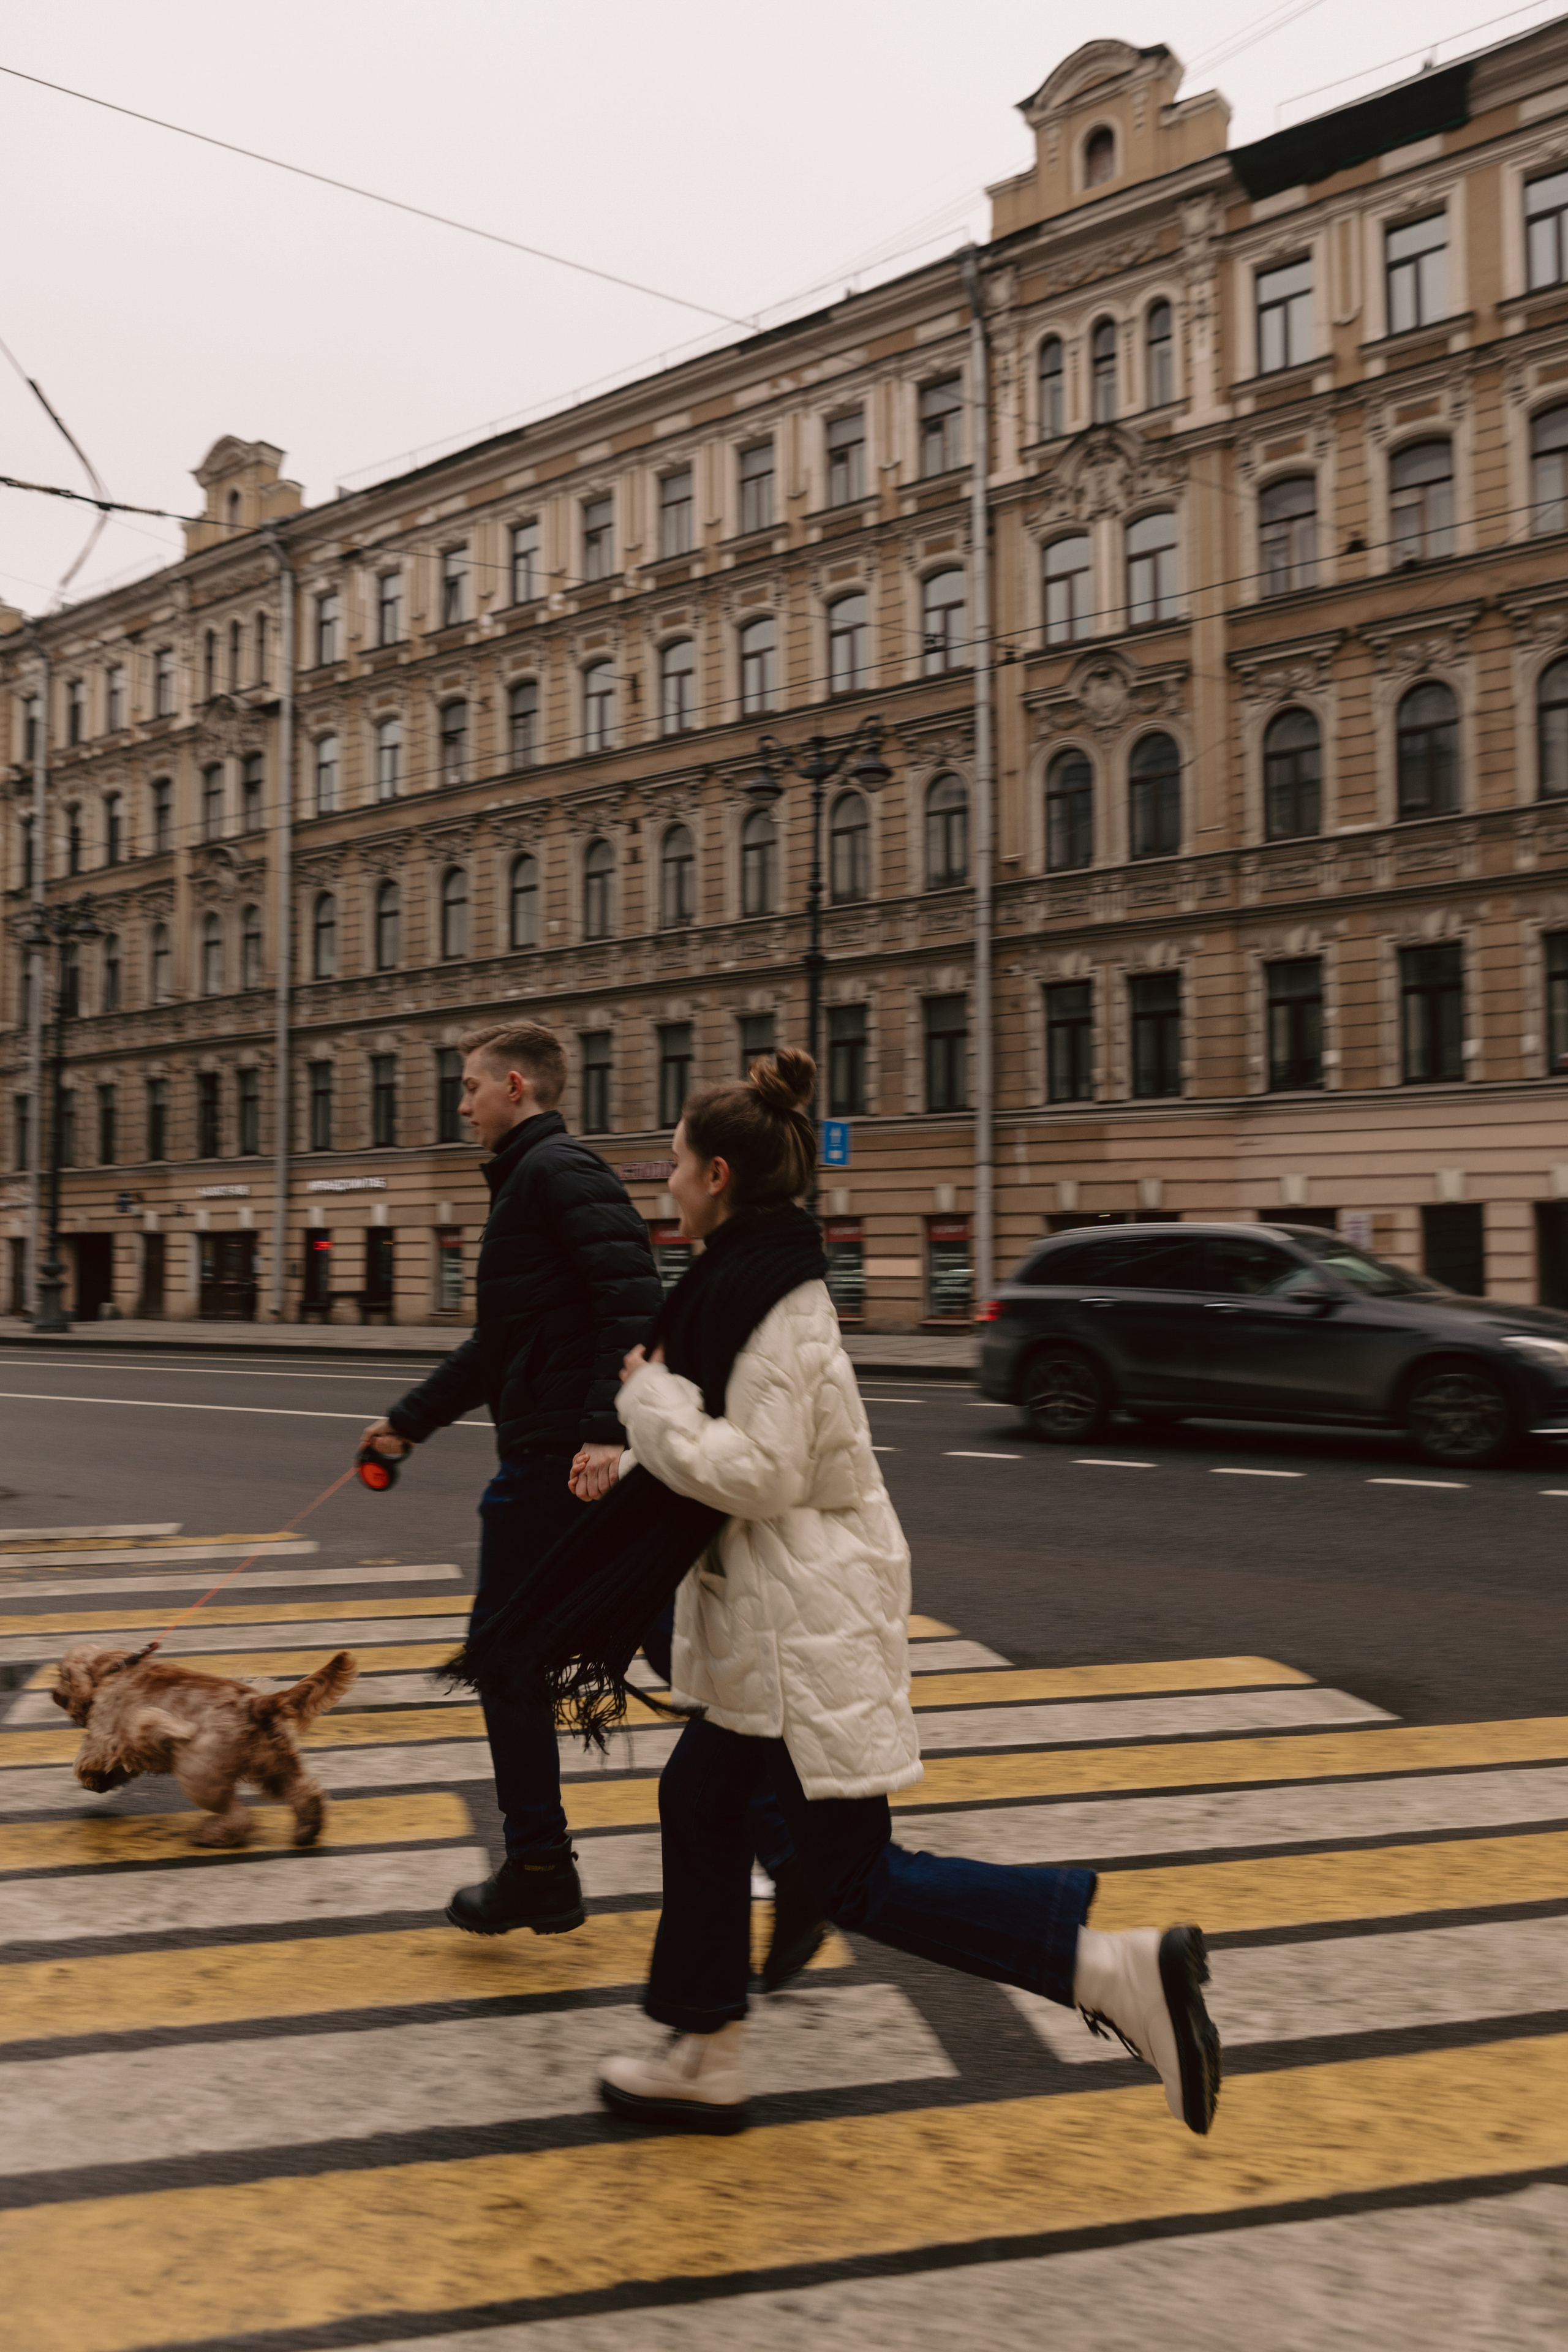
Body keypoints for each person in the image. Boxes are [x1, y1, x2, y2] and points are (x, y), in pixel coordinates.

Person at [596, 1049, 1221, 2135]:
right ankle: (707, 2046)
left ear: (720, 1179)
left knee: (856, 1880)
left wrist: (649, 1406)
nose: (666, 1185)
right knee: (699, 1804)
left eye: (677, 1166)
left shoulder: (772, 1306)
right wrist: (641, 1450)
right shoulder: (744, 1285)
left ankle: (1111, 1970)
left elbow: (763, 1471)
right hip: (775, 1624)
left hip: (798, 1631)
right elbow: (748, 1449)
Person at [360, 1020, 663, 1936]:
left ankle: (540, 1865)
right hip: (561, 1456)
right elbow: (504, 1347)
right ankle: (795, 1842)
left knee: (510, 1656)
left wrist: (602, 1436)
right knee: (676, 1646)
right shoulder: (529, 1184)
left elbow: (634, 1296)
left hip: (558, 1465)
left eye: (470, 1087)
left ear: (517, 1086)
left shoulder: (557, 1172)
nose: (461, 1105)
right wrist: (408, 1422)